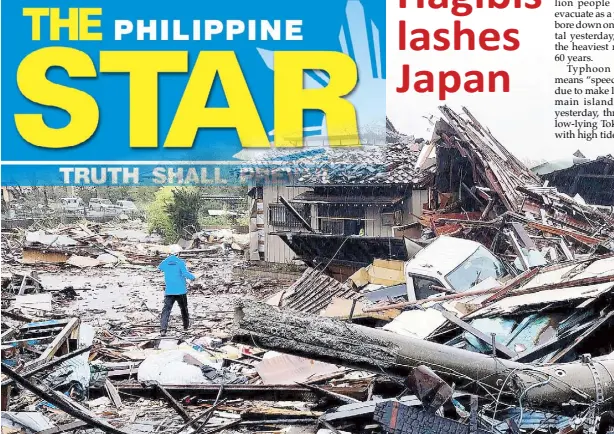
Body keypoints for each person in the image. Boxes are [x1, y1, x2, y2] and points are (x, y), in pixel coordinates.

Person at [158, 250, 195, 336]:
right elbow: (185, 273)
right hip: (180, 290)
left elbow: (159, 268)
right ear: (178, 254)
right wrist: (193, 277)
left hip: (169, 291)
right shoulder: (180, 262)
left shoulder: (165, 262)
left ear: (169, 253)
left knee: (166, 310)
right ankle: (186, 327)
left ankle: (163, 330)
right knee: (184, 309)